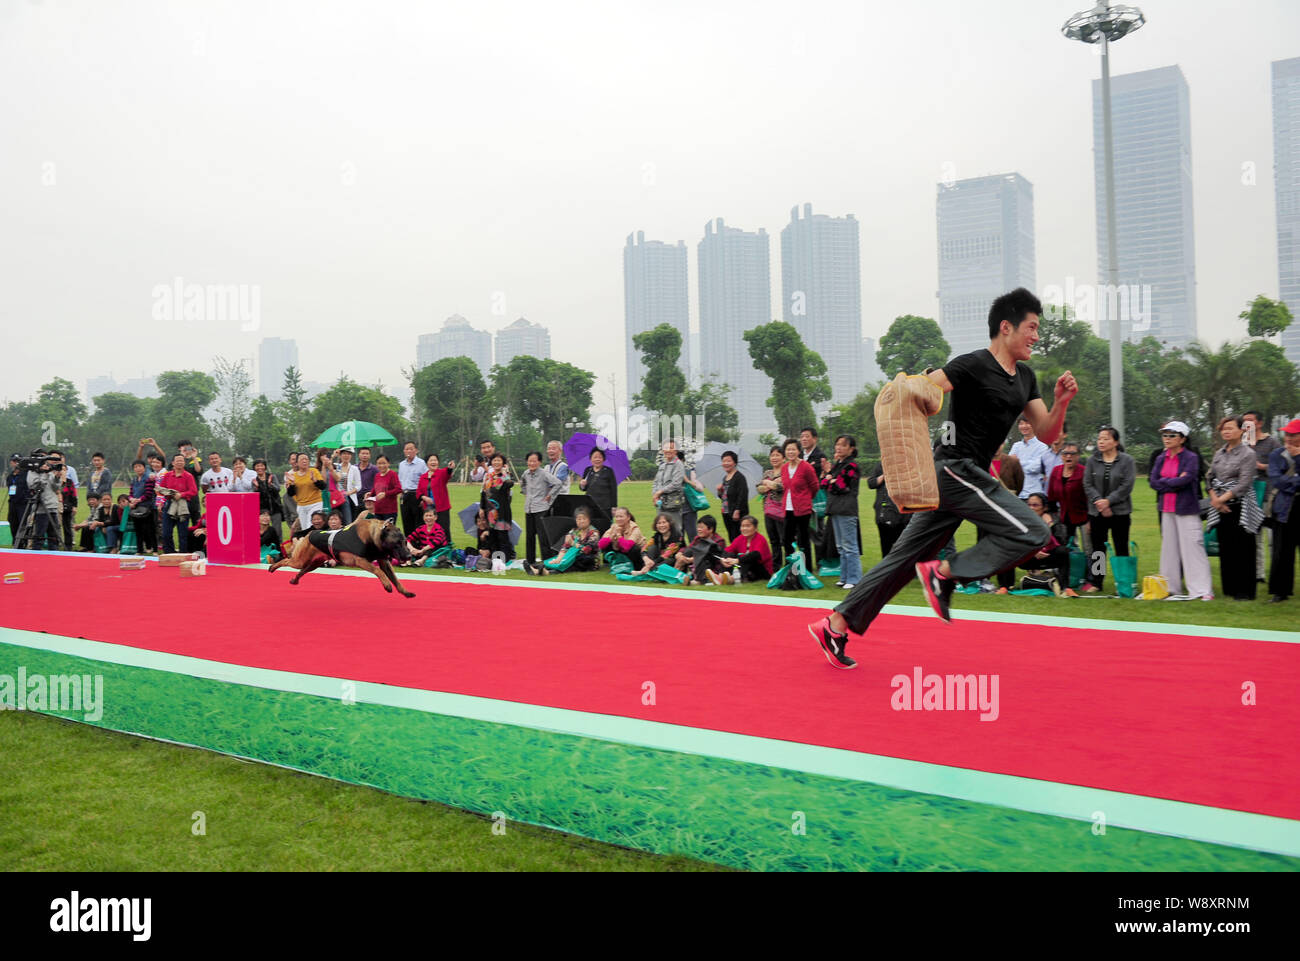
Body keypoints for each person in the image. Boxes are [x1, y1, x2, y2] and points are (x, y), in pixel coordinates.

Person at [810, 287, 1076, 670]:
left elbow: (1048, 433)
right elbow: (921, 391)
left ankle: (834, 625)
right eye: (1031, 327)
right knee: (1033, 533)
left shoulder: (1025, 379)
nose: (1036, 335)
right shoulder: (971, 365)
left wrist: (1061, 402)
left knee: (903, 559)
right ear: (1006, 327)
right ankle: (945, 575)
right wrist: (904, 425)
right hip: (954, 468)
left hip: (966, 476)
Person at [1149, 421, 1212, 600]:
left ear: (1182, 439)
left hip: (1186, 508)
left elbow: (1187, 479)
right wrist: (1173, 481)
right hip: (1166, 508)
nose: (1167, 439)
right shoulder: (1161, 457)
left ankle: (1201, 590)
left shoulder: (1191, 457)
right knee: (1169, 550)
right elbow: (1153, 481)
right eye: (1165, 435)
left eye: (1172, 435)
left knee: (1193, 548)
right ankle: (1170, 588)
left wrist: (1166, 482)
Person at [1207, 414, 1260, 601]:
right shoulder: (1219, 453)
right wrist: (1215, 499)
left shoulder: (1248, 454)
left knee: (1244, 549)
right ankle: (1229, 588)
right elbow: (1209, 477)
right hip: (1220, 506)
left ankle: (1245, 591)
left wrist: (1222, 499)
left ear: (1242, 430)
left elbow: (1244, 483)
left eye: (1230, 427)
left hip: (1240, 506)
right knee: (1227, 548)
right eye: (1224, 428)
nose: (1226, 431)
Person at [1081, 427, 1135, 593]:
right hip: (1096, 512)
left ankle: (1124, 582)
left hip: (1120, 512)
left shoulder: (1127, 461)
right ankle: (1097, 582)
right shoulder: (1092, 460)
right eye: (1099, 439)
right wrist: (1099, 502)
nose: (1101, 442)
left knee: (1121, 546)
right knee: (1098, 548)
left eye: (1105, 439)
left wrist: (1109, 502)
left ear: (1116, 442)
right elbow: (1087, 484)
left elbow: (1127, 485)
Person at [1266, 419, 1300, 603]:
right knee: (1282, 551)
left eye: (1293, 434)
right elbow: (1277, 480)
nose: (1288, 438)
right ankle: (1280, 591)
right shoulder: (1276, 454)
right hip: (1284, 508)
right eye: (1287, 434)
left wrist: (1298, 458)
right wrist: (1295, 481)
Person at [821, 435, 862, 589]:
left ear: (851, 448)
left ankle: (854, 578)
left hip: (846, 509)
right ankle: (844, 577)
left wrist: (831, 480)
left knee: (850, 545)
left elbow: (841, 487)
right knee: (840, 546)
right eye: (837, 444)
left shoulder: (851, 465)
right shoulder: (838, 465)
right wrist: (830, 478)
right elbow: (824, 483)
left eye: (843, 445)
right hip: (835, 508)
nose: (838, 448)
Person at [1243, 411, 1278, 585]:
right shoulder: (1242, 442)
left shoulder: (1271, 442)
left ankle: (1276, 573)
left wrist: (1260, 466)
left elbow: (1281, 465)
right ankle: (1258, 573)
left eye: (1250, 420)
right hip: (1250, 493)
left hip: (1268, 493)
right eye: (1244, 421)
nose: (1247, 424)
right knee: (1254, 534)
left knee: (1272, 536)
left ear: (1259, 423)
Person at [778, 438, 820, 564]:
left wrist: (805, 498)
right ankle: (791, 567)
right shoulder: (784, 468)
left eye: (793, 449)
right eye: (788, 449)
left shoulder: (806, 467)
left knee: (803, 540)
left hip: (802, 509)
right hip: (788, 508)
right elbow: (786, 487)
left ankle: (806, 568)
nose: (790, 452)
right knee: (786, 539)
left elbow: (814, 486)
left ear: (798, 451)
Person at [519, 451, 564, 566]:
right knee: (529, 536)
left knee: (543, 536)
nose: (532, 463)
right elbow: (522, 483)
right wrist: (525, 492)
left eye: (534, 461)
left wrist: (550, 495)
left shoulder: (544, 473)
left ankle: (547, 561)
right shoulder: (526, 473)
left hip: (541, 508)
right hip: (529, 508)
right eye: (530, 461)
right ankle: (530, 561)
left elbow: (558, 483)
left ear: (539, 462)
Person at [532, 507, 601, 575]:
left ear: (589, 520)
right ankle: (536, 568)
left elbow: (587, 550)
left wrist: (573, 543)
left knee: (575, 560)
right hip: (574, 556)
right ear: (576, 520)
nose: (581, 521)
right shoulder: (575, 531)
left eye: (584, 519)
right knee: (560, 559)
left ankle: (547, 572)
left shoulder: (594, 533)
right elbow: (566, 546)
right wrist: (558, 559)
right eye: (579, 519)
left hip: (589, 560)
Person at [1046, 442, 1088, 547]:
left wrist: (1092, 520)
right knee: (1069, 548)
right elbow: (1051, 495)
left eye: (1072, 453)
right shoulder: (1056, 471)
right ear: (1061, 456)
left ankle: (1099, 564)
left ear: (1078, 456)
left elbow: (1091, 497)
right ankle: (1075, 564)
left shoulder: (1085, 472)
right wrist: (1052, 517)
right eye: (1065, 453)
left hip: (1086, 516)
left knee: (1091, 548)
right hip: (1065, 517)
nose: (1068, 456)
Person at [865, 461, 909, 559]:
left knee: (902, 545)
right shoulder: (881, 465)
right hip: (884, 512)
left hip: (902, 513)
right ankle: (887, 570)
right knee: (886, 545)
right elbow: (871, 483)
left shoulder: (907, 464)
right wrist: (884, 476)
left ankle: (903, 570)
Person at [157, 453, 199, 552]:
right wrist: (165, 496)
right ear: (173, 463)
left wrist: (181, 495)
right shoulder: (167, 475)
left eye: (181, 460)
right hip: (169, 504)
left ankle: (183, 554)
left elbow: (194, 491)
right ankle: (169, 553)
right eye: (177, 460)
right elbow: (161, 489)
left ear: (184, 463)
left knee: (182, 533)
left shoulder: (188, 476)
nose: (179, 462)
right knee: (166, 532)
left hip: (183, 505)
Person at [717, 514, 773, 585]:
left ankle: (730, 578)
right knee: (731, 555)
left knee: (747, 558)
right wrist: (724, 559)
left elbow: (756, 555)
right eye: (742, 526)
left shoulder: (760, 539)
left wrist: (737, 560)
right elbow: (728, 550)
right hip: (744, 568)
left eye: (748, 526)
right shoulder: (740, 538)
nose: (744, 528)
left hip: (761, 570)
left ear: (755, 528)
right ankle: (722, 576)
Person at [756, 447, 787, 570]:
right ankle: (776, 567)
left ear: (783, 458)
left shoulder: (786, 471)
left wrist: (768, 484)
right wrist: (771, 485)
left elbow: (782, 487)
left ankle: (790, 565)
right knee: (773, 540)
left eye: (777, 455)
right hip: (768, 510)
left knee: (784, 539)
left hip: (781, 511)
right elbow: (759, 489)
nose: (774, 458)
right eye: (772, 455)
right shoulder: (767, 473)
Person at [480, 452, 515, 560]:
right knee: (493, 535)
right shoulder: (488, 476)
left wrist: (504, 473)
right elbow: (483, 492)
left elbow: (510, 484)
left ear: (503, 463)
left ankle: (505, 559)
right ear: (491, 463)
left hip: (502, 511)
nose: (496, 462)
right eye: (494, 460)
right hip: (490, 511)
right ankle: (495, 559)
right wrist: (481, 507)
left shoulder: (505, 476)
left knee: (502, 536)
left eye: (499, 460)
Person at [416, 453, 456, 547]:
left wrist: (450, 468)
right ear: (427, 463)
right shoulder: (423, 477)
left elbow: (448, 473)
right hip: (429, 509)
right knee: (430, 530)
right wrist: (424, 497)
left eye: (435, 460)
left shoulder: (441, 473)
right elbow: (418, 492)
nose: (433, 462)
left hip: (442, 508)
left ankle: (447, 551)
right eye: (431, 460)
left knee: (444, 530)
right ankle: (432, 550)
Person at [679, 515, 728, 585]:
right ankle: (678, 576)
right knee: (684, 554)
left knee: (703, 561)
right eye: (698, 527)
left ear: (710, 529)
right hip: (697, 566)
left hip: (712, 567)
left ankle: (694, 581)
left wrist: (692, 559)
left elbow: (711, 557)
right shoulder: (698, 538)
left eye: (701, 527)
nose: (698, 529)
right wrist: (681, 554)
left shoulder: (719, 541)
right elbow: (689, 548)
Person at [1009, 416, 1050, 499]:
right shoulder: (1016, 446)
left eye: (1027, 423)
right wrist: (1028, 462)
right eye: (1021, 423)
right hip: (1016, 494)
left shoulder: (1042, 447)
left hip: (1034, 494)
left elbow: (1036, 468)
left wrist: (1017, 462)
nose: (1024, 426)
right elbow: (1009, 466)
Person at [652, 441, 687, 532]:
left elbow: (676, 484)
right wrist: (655, 496)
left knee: (675, 529)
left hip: (672, 504)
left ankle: (677, 546)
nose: (668, 450)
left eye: (671, 448)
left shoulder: (678, 464)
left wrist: (660, 492)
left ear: (676, 451)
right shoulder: (662, 465)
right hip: (661, 504)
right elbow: (656, 482)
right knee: (662, 529)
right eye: (666, 448)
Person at [286, 452, 326, 531]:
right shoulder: (293, 476)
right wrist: (293, 483)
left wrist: (315, 480)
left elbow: (323, 486)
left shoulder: (314, 471)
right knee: (305, 529)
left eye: (306, 459)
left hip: (315, 503)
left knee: (311, 526)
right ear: (297, 463)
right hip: (301, 506)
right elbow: (290, 494)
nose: (304, 461)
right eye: (302, 459)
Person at [715, 450, 750, 541]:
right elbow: (724, 497)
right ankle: (733, 554)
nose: (726, 463)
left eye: (729, 461)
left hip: (736, 513)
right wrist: (719, 491)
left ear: (735, 463)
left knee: (739, 536)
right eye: (724, 461)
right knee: (731, 536)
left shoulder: (739, 477)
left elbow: (743, 495)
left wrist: (737, 510)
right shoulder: (725, 478)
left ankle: (740, 554)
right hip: (726, 512)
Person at [126, 458, 158, 555]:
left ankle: (155, 549)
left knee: (150, 529)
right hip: (136, 508)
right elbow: (130, 493)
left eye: (140, 466)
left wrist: (138, 500)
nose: (138, 468)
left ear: (144, 468)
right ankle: (140, 550)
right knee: (138, 530)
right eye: (135, 467)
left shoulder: (149, 479)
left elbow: (149, 493)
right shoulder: (134, 480)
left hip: (147, 507)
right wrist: (131, 499)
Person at [578, 448, 619, 519]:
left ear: (603, 459)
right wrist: (582, 485)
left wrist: (614, 507)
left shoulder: (608, 471)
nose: (597, 459)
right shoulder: (588, 470)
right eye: (595, 457)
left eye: (600, 457)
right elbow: (584, 489)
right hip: (589, 505)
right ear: (590, 459)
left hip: (605, 506)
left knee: (605, 526)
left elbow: (614, 489)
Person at [397, 441, 425, 536]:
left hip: (416, 495)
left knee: (418, 521)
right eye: (406, 449)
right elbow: (400, 480)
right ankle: (409, 546)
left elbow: (426, 480)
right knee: (406, 521)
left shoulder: (421, 463)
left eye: (411, 448)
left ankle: (419, 545)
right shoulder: (401, 464)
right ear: (404, 451)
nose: (409, 451)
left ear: (416, 450)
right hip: (405, 495)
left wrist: (423, 497)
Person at [252, 459, 282, 541]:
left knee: (277, 530)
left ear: (265, 467)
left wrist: (270, 484)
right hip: (262, 510)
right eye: (257, 466)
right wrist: (257, 487)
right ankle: (265, 548)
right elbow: (255, 495)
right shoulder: (254, 480)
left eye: (262, 465)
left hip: (275, 507)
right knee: (263, 530)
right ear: (254, 468)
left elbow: (278, 489)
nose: (260, 468)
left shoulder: (272, 476)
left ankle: (279, 550)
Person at [368, 454, 402, 523]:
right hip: (378, 510)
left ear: (388, 464)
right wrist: (370, 494)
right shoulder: (377, 475)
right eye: (379, 463)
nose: (381, 466)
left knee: (388, 532)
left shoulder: (392, 474)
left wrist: (385, 494)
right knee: (379, 532)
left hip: (390, 510)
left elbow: (398, 489)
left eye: (384, 463)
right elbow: (375, 489)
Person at [336, 448, 363, 525]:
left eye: (348, 454)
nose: (346, 456)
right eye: (344, 454)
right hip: (337, 498)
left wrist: (348, 493)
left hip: (349, 498)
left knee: (349, 522)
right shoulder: (337, 467)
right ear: (340, 455)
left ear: (351, 456)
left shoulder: (354, 469)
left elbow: (358, 486)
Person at [6, 454, 28, 543]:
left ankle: (23, 542)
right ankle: (15, 541)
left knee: (22, 524)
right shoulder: (10, 476)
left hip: (23, 503)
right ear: (11, 463)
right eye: (14, 461)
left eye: (18, 461)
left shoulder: (26, 474)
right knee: (13, 522)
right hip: (12, 503)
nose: (16, 463)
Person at [356, 447, 378, 516]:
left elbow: (378, 483)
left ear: (370, 455)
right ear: (359, 455)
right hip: (356, 498)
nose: (365, 455)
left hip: (369, 499)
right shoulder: (354, 468)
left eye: (367, 454)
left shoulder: (374, 469)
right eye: (363, 453)